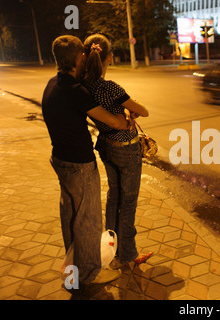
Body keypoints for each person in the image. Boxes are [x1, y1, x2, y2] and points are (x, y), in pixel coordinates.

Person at [42, 35, 130, 287]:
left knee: (70, 216)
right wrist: (126, 121)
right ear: (80, 58)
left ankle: (72, 269)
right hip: (80, 165)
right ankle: (90, 273)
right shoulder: (75, 91)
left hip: (60, 160)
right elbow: (112, 122)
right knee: (88, 221)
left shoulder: (52, 84)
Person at [83, 33, 153, 268]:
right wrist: (129, 112)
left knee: (114, 197)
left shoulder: (86, 86)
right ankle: (128, 254)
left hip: (105, 145)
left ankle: (109, 249)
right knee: (129, 201)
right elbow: (143, 111)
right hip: (125, 149)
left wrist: (123, 113)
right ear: (109, 58)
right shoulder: (110, 87)